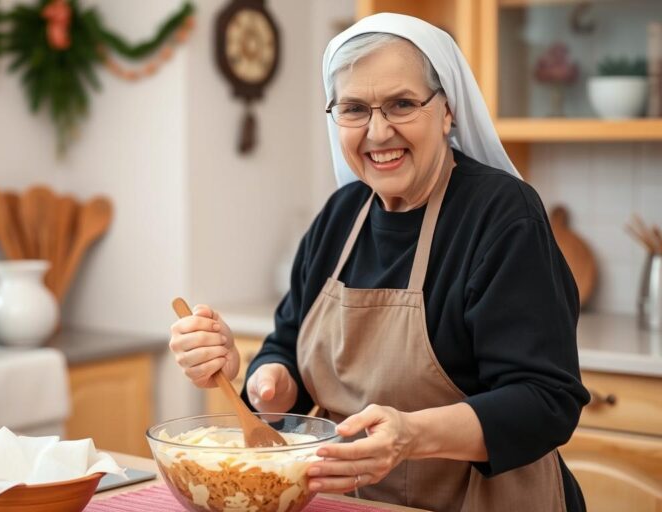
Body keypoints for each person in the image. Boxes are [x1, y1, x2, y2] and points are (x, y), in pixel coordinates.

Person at [169, 13, 589, 512]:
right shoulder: (340, 216)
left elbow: (545, 401)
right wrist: (260, 382)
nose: (378, 131)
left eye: (402, 104)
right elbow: (287, 354)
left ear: (447, 110)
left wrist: (410, 433)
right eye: (354, 109)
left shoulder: (501, 213)